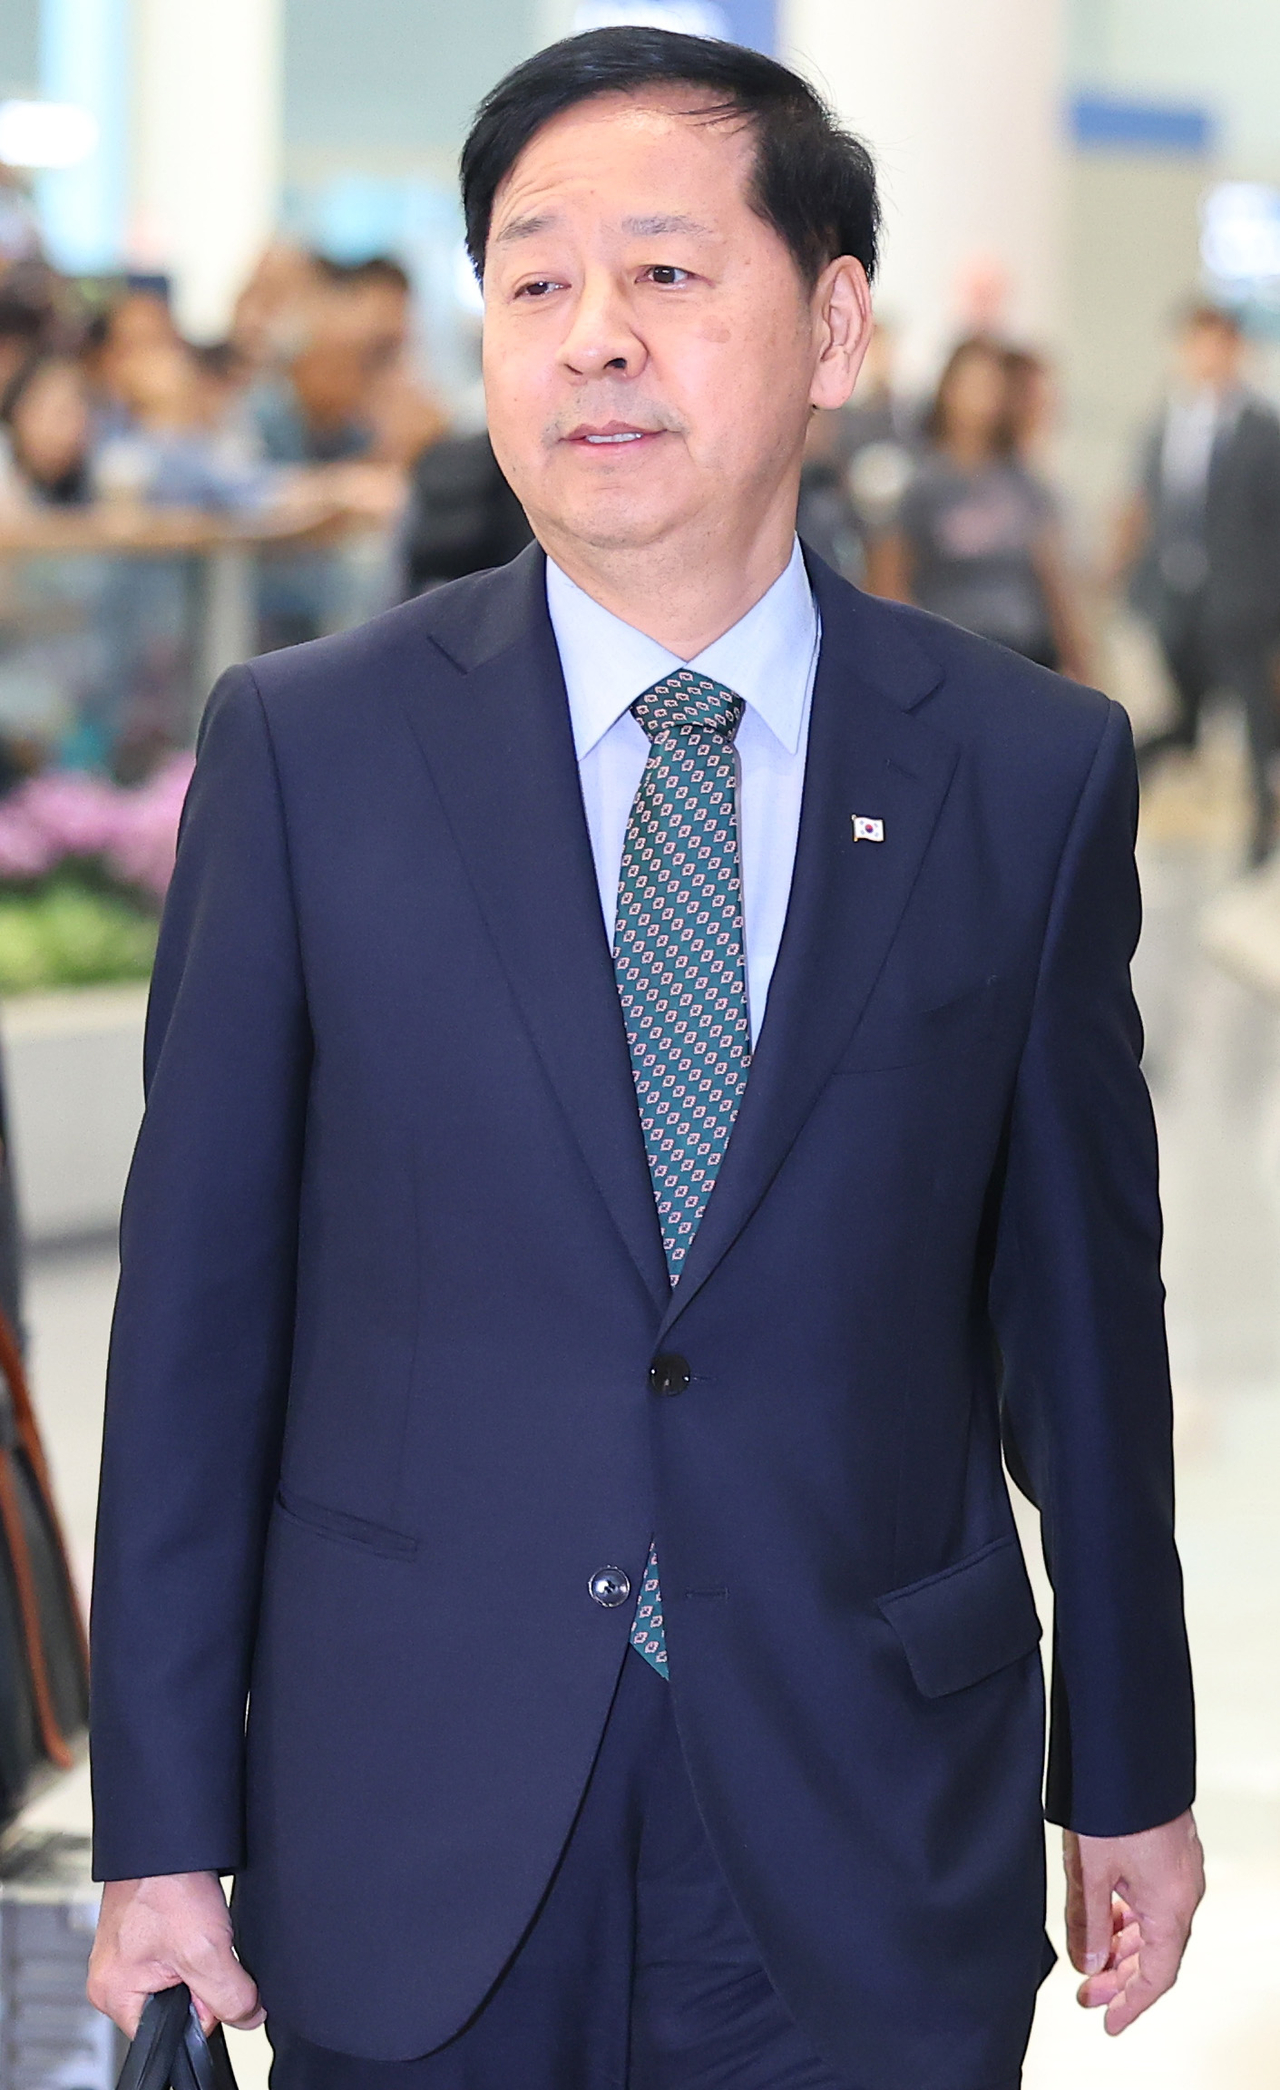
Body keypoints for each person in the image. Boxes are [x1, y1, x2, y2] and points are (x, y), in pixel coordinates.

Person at [87, 27, 1202, 2090]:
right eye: (535, 281)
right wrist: (158, 1822)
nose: (593, 334)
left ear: (834, 328)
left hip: (863, 1811)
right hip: (412, 1804)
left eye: (668, 273)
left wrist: (1129, 1763)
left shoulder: (1020, 772)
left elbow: (1082, 1325)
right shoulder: (314, 754)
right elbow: (193, 1331)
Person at [1116, 302, 1280, 866]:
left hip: (1242, 606)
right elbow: (1146, 508)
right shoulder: (1165, 425)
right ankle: (1120, 794)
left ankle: (1261, 831)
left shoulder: (1263, 432)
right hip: (1175, 601)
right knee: (1180, 717)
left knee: (1256, 720)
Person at [869, 334, 1088, 677]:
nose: (980, 400)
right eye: (971, 384)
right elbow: (889, 580)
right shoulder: (922, 485)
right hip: (951, 657)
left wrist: (1080, 664)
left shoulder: (1023, 485)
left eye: (991, 387)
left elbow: (1054, 583)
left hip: (1024, 657)